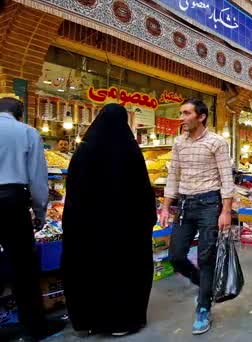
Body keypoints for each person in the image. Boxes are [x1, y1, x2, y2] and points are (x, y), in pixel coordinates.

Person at [62, 104, 157, 336]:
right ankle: (121, 322)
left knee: (88, 270)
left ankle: (88, 321)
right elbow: (144, 192)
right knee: (124, 271)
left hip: (88, 229)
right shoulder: (131, 151)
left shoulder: (84, 151)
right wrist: (147, 220)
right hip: (125, 230)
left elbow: (73, 192)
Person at [159, 99, 235, 335]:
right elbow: (173, 176)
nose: (181, 117)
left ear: (201, 117)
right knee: (176, 256)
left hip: (210, 205)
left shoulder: (217, 142)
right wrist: (165, 206)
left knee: (206, 257)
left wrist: (225, 211)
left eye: (186, 113)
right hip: (185, 205)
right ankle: (205, 285)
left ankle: (203, 307)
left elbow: (226, 178)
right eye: (181, 113)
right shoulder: (179, 143)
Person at [0, 98, 66, 341]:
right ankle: (33, 328)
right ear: (20, 114)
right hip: (12, 202)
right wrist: (39, 213)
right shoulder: (27, 132)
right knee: (24, 268)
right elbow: (38, 179)